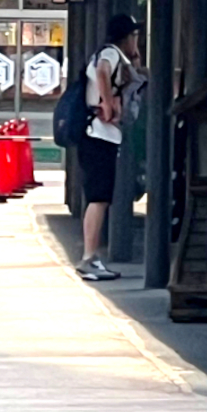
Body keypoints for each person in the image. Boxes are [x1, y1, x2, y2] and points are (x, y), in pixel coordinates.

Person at [78, 14, 144, 282]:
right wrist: (106, 102)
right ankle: (89, 257)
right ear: (126, 36)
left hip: (100, 133)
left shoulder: (111, 53)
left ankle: (91, 257)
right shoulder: (111, 53)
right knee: (99, 197)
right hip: (99, 133)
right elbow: (104, 70)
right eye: (134, 36)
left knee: (100, 197)